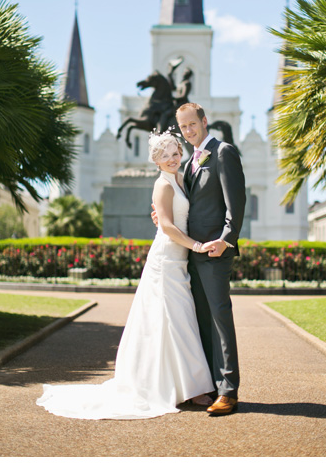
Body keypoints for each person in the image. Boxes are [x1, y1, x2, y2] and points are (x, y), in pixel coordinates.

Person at [37, 132, 217, 419]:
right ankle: (189, 388)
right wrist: (196, 245)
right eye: (165, 155)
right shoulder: (162, 185)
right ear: (156, 160)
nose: (172, 158)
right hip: (167, 259)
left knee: (175, 319)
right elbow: (168, 227)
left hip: (180, 260)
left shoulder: (180, 179)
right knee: (174, 318)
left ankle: (182, 384)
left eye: (175, 152)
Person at [172, 102, 246, 416]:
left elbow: (236, 203)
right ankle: (209, 387)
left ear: (204, 121)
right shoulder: (190, 161)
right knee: (200, 322)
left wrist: (226, 241)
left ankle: (229, 390)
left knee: (220, 320)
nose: (189, 131)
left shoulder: (223, 152)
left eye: (192, 124)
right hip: (192, 253)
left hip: (215, 252)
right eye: (183, 127)